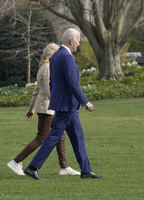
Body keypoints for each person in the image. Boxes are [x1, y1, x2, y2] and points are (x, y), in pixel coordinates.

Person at [24, 28, 104, 180]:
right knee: (54, 136)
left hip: (65, 104)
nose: (78, 45)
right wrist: (85, 101)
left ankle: (86, 170)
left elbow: (53, 83)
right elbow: (73, 84)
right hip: (67, 105)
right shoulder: (66, 57)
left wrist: (57, 99)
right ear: (72, 40)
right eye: (78, 41)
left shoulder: (56, 56)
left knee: (77, 137)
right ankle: (32, 167)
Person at [7, 43, 80, 176]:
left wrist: (30, 110)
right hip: (47, 108)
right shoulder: (47, 68)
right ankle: (16, 161)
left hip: (46, 107)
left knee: (60, 135)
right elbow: (48, 91)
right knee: (42, 138)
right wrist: (60, 105)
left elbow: (36, 91)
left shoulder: (44, 67)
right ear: (53, 54)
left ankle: (64, 167)